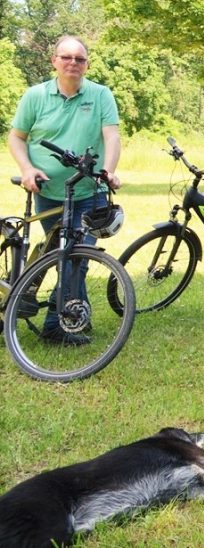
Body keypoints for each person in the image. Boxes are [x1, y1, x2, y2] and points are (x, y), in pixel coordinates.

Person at [7, 35, 122, 346]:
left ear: (87, 64)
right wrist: (27, 169)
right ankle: (71, 318)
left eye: (80, 59)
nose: (74, 63)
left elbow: (111, 136)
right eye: (67, 57)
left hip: (90, 191)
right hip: (49, 192)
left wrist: (108, 170)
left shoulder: (100, 95)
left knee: (76, 257)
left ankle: (57, 325)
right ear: (54, 61)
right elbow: (16, 137)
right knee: (65, 257)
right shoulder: (35, 96)